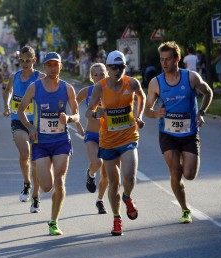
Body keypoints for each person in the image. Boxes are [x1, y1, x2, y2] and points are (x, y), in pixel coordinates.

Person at [144, 41, 213, 224]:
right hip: (168, 134)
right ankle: (185, 210)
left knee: (189, 174)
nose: (164, 63)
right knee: (175, 172)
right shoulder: (155, 82)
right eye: (161, 60)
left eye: (168, 59)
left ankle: (184, 160)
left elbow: (208, 92)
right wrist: (155, 113)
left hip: (189, 133)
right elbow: (146, 110)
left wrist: (201, 112)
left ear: (177, 59)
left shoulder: (190, 78)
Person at [17, 52, 79, 235]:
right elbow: (21, 111)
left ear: (61, 66)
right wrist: (29, 127)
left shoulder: (68, 88)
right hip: (41, 142)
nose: (53, 68)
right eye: (49, 65)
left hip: (61, 141)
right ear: (44, 67)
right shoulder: (34, 88)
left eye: (56, 64)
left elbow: (77, 116)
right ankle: (40, 186)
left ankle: (54, 221)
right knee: (46, 186)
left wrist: (68, 118)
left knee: (60, 181)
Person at [86, 50, 146, 236]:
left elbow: (141, 97)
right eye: (113, 67)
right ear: (108, 67)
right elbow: (88, 111)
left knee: (129, 176)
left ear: (124, 68)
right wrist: (97, 113)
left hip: (128, 137)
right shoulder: (100, 87)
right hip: (108, 140)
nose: (117, 71)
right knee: (113, 183)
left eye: (120, 67)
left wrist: (139, 115)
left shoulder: (132, 83)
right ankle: (117, 219)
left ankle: (127, 197)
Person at [3, 45, 46, 212]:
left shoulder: (40, 77)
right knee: (24, 154)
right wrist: (6, 106)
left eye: (28, 60)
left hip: (36, 123)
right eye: (22, 60)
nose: (25, 63)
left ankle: (36, 197)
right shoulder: (14, 77)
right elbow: (7, 91)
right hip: (18, 120)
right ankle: (27, 183)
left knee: (35, 161)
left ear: (34, 60)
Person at [75, 63, 109, 214]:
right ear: (91, 77)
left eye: (102, 74)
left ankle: (100, 201)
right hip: (92, 135)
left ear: (107, 74)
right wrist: (77, 124)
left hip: (109, 137)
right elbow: (73, 104)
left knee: (107, 173)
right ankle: (90, 173)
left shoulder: (113, 91)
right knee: (97, 162)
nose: (99, 77)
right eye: (96, 75)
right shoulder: (87, 91)